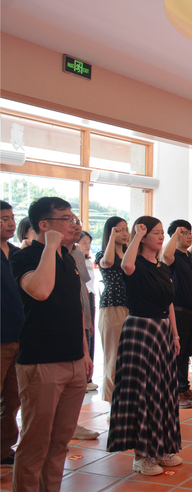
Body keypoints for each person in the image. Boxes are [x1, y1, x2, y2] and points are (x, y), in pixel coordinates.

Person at [9, 197, 92, 491]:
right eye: (65, 219)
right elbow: (41, 291)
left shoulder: (68, 259)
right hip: (41, 362)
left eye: (73, 218)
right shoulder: (25, 258)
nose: (73, 224)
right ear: (44, 225)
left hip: (74, 361)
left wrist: (84, 352)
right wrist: (50, 246)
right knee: (35, 443)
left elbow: (76, 308)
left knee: (60, 442)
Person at [106, 216, 183, 476]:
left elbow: (169, 303)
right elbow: (125, 265)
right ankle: (142, 455)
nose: (161, 237)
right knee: (143, 391)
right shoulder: (134, 263)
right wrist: (136, 234)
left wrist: (175, 335)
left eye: (162, 232)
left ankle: (161, 448)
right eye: (155, 232)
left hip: (162, 331)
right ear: (143, 236)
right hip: (140, 330)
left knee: (163, 390)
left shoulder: (162, 267)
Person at [67, 222, 100, 440]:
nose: (76, 227)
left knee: (79, 378)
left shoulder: (78, 254)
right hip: (64, 322)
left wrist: (87, 321)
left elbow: (84, 288)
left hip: (83, 314)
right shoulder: (48, 255)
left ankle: (72, 424)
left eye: (77, 222)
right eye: (68, 221)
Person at [161, 220, 192, 410]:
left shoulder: (189, 256)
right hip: (178, 311)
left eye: (189, 232)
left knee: (185, 354)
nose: (189, 235)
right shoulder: (172, 255)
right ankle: (174, 392)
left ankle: (184, 387)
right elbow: (165, 256)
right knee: (176, 355)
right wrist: (175, 234)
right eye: (184, 233)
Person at [0, 201, 24, 468]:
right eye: (3, 219)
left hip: (20, 334)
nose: (10, 223)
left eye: (11, 217)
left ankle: (4, 448)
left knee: (13, 398)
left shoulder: (18, 254)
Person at [96, 216, 129, 403]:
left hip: (131, 307)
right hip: (112, 307)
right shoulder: (103, 254)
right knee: (114, 357)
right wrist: (112, 239)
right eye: (119, 230)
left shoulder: (130, 253)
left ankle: (128, 402)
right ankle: (112, 404)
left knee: (130, 358)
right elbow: (107, 262)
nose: (124, 233)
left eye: (126, 229)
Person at [76, 230, 98, 390]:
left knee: (91, 336)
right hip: (81, 298)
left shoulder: (88, 262)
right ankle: (83, 378)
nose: (87, 245)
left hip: (90, 297)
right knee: (83, 335)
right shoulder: (74, 259)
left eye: (89, 242)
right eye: (84, 242)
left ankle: (88, 377)